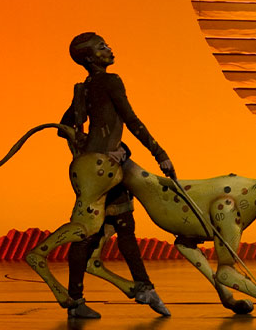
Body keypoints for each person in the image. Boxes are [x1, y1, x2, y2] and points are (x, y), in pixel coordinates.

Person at [53, 32, 175, 318]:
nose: (109, 49)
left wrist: (83, 145)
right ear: (89, 58)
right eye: (102, 47)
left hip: (98, 167)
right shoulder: (110, 80)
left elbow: (63, 126)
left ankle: (140, 288)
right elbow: (131, 120)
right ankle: (78, 299)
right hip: (104, 169)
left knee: (121, 226)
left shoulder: (85, 88)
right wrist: (160, 154)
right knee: (90, 233)